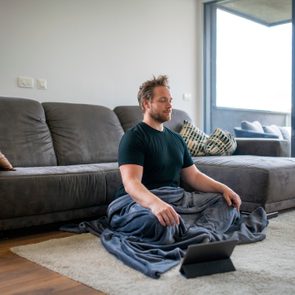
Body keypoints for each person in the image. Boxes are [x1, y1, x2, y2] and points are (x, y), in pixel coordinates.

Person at [116, 74, 242, 227]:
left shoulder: (177, 139)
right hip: (140, 201)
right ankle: (191, 228)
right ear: (146, 104)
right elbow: (131, 183)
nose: (169, 105)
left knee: (226, 203)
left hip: (176, 198)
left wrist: (224, 189)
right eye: (163, 100)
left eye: (170, 100)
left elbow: (194, 176)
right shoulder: (134, 137)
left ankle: (198, 231)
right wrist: (155, 204)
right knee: (154, 221)